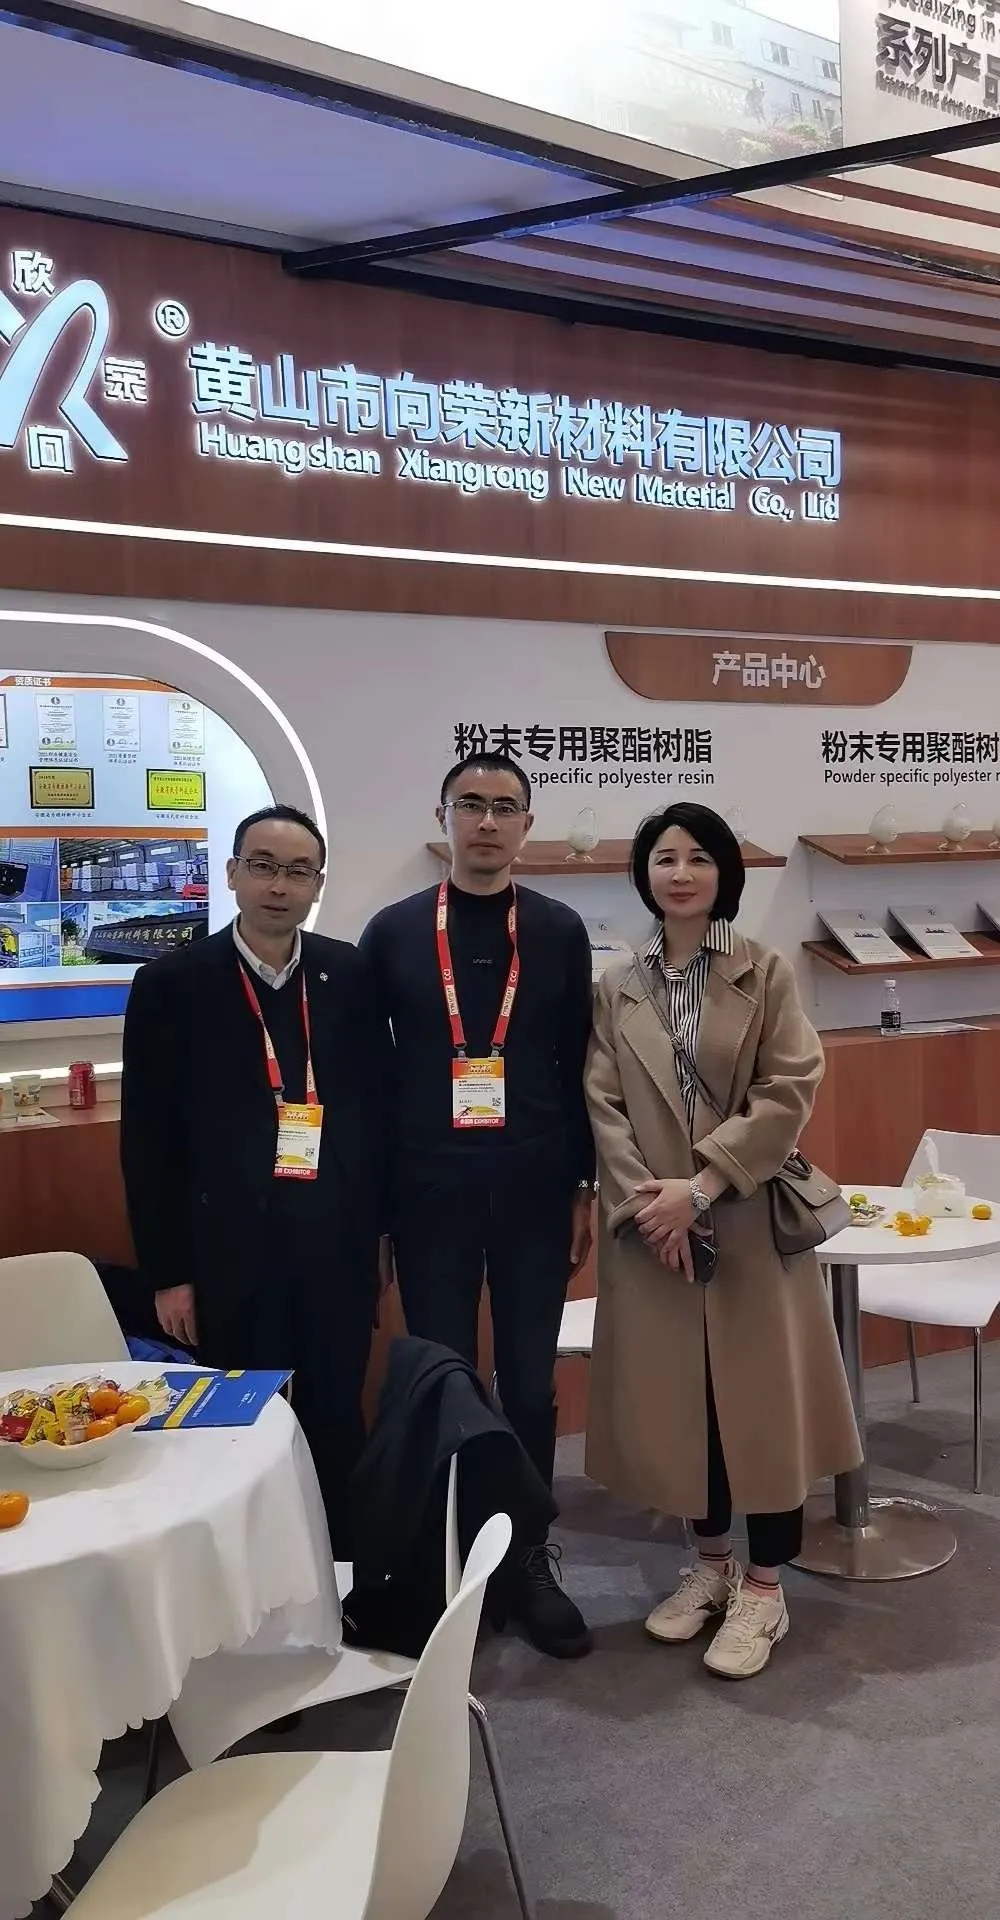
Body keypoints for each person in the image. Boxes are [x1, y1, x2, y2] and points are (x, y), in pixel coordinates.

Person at [585, 802, 861, 1679]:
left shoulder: (763, 970)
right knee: (686, 1409)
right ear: (645, 874)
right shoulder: (618, 981)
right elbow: (603, 1105)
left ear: (723, 874)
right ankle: (710, 1568)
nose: (680, 873)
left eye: (698, 857)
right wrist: (650, 1206)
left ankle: (766, 1591)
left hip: (744, 1222)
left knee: (763, 1410)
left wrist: (700, 1186)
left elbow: (789, 1088)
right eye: (664, 857)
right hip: (654, 1233)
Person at [358, 752, 595, 1659]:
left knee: (528, 1383)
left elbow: (578, 1066)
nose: (487, 822)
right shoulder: (393, 932)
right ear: (444, 817)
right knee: (444, 1379)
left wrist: (583, 1185)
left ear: (526, 824)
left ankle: (528, 1558)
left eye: (504, 807)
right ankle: (451, 1557)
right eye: (471, 805)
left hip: (536, 1190)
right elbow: (374, 1085)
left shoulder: (560, 930)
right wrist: (380, 1213)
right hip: (429, 1195)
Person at [120, 803, 389, 1554]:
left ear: (317, 884)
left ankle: (342, 1578)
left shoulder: (349, 973)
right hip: (227, 1253)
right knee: (237, 1427)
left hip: (334, 1246)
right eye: (263, 866)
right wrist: (168, 1275)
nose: (279, 886)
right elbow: (147, 1141)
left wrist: (378, 1238)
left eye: (298, 872)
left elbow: (375, 1111)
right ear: (234, 872)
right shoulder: (172, 983)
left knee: (335, 1415)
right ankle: (247, 1581)